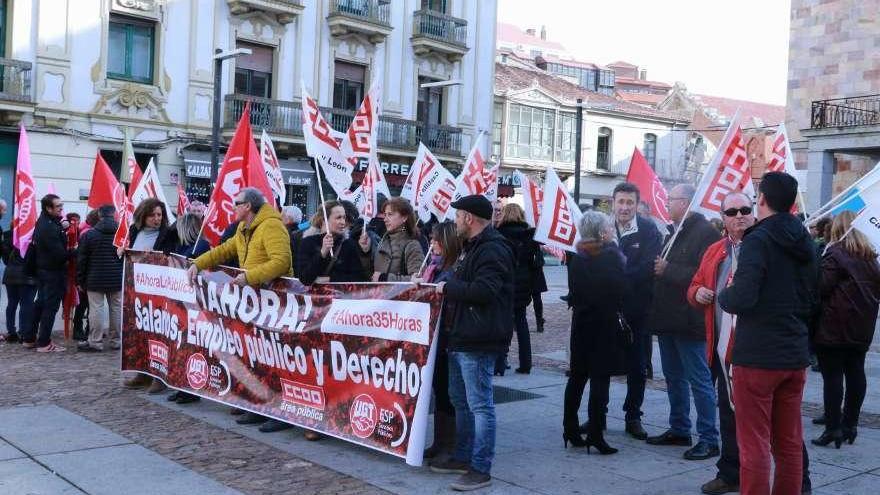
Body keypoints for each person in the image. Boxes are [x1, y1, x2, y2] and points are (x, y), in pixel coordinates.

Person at [688, 192, 814, 494]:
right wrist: (697, 294)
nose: (740, 215)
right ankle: (730, 472)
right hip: (724, 349)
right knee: (731, 418)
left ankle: (801, 482)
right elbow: (694, 284)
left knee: (779, 430)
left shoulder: (770, 245)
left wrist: (730, 295)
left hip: (759, 353)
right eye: (731, 212)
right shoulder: (715, 251)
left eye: (746, 208)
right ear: (723, 219)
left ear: (756, 211)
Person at [718, 172, 818, 495]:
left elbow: (742, 297)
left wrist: (724, 294)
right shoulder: (804, 240)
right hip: (793, 353)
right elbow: (813, 296)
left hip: (758, 356)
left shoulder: (757, 240)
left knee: (755, 443)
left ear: (761, 200)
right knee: (788, 443)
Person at [186, 187, 294, 428]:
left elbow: (282, 261)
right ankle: (261, 404)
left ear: (248, 206)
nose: (233, 207)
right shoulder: (245, 229)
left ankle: (281, 413)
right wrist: (198, 264)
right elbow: (224, 250)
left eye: (237, 203)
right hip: (256, 301)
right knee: (257, 357)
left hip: (274, 300)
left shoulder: (271, 225)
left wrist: (249, 277)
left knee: (275, 358)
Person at [428, 195, 514, 492]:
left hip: (479, 337)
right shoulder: (472, 247)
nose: (455, 223)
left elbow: (484, 291)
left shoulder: (493, 249)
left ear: (469, 218)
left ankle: (481, 467)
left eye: (457, 217)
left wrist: (449, 288)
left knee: (480, 405)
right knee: (460, 400)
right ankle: (462, 455)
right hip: (462, 335)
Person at [647, 184, 720, 460]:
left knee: (699, 380)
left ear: (687, 203)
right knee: (674, 378)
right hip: (668, 319)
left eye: (672, 199)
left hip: (690, 320)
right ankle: (679, 428)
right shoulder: (674, 231)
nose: (667, 203)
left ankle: (709, 437)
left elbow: (706, 276)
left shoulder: (706, 233)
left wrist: (668, 270)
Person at [812, 210, 880, 448]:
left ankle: (833, 428)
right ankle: (850, 424)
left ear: (837, 228)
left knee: (832, 378)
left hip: (834, 327)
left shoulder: (836, 253)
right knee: (855, 373)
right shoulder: (871, 257)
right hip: (862, 327)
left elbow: (821, 287)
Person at [563, 210, 627, 455]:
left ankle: (569, 428)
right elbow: (620, 290)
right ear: (602, 232)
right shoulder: (609, 257)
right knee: (600, 380)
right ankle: (596, 434)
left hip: (582, 324)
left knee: (577, 377)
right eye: (609, 228)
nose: (612, 231)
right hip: (604, 324)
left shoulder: (578, 255)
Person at [603, 182, 662, 440]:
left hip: (637, 309)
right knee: (601, 364)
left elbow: (648, 268)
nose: (625, 207)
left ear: (637, 205)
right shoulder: (602, 227)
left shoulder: (649, 230)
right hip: (606, 309)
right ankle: (598, 415)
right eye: (621, 202)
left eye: (630, 202)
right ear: (612, 202)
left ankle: (633, 416)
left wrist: (616, 276)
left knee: (638, 366)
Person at [416, 221, 462, 461]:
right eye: (432, 240)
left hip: (447, 337)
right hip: (434, 337)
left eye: (436, 240)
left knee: (447, 391)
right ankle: (440, 441)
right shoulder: (434, 266)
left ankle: (450, 444)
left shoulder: (452, 268)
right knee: (438, 390)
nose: (432, 244)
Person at [123, 198, 179, 391]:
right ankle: (143, 372)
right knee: (140, 332)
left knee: (159, 334)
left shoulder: (168, 234)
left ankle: (159, 376)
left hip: (159, 291)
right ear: (143, 215)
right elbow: (130, 253)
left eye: (159, 215)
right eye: (152, 215)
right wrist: (124, 252)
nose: (156, 219)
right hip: (136, 290)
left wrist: (155, 256)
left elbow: (172, 257)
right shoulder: (134, 231)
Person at [22, 194, 73, 352]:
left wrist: (61, 225)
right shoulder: (48, 227)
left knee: (41, 304)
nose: (61, 209)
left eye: (61, 206)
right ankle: (44, 343)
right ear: (48, 208)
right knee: (49, 307)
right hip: (52, 272)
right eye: (58, 207)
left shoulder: (45, 221)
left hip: (44, 270)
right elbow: (59, 254)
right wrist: (76, 251)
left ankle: (29, 338)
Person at [495, 203, 539, 375]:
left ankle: (499, 364)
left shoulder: (499, 235)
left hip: (505, 283)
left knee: (501, 324)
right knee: (522, 324)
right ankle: (526, 363)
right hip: (523, 285)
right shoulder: (529, 236)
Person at [76, 205, 123, 352]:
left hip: (94, 277)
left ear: (100, 216)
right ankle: (116, 341)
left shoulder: (89, 235)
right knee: (116, 309)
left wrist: (80, 280)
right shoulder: (121, 235)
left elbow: (81, 260)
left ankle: (95, 341)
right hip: (116, 277)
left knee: (96, 309)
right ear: (114, 215)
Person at [297, 200, 368, 285]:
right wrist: (322, 253)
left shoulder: (349, 244)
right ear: (324, 219)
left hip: (340, 297)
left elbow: (360, 279)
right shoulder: (308, 242)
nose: (343, 222)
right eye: (338, 218)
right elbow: (304, 278)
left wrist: (331, 279)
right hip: (315, 297)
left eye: (344, 218)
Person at [360, 197, 425, 282]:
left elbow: (418, 281)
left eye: (390, 214)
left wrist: (384, 278)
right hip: (379, 295)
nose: (385, 219)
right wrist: (366, 252)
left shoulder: (412, 245)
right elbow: (370, 276)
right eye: (385, 215)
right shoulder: (382, 242)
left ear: (404, 217)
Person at [1, 218, 38, 344]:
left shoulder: (6, 239)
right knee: (26, 305)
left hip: (10, 274)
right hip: (27, 276)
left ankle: (11, 331)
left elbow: (6, 260)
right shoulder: (30, 239)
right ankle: (24, 332)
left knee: (12, 304)